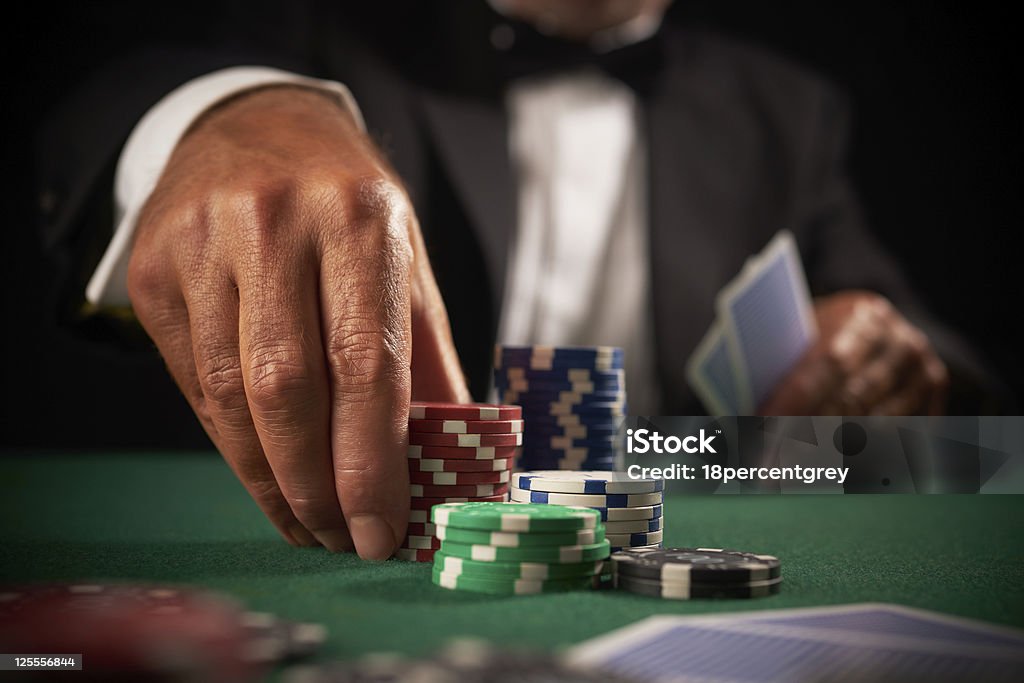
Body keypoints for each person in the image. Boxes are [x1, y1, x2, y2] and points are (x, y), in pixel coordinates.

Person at [36, 0, 989, 560]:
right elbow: (118, 75)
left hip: (661, 519)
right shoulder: (322, 32)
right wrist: (221, 116)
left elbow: (927, 350)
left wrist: (888, 351)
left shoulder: (784, 109)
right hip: (367, 542)